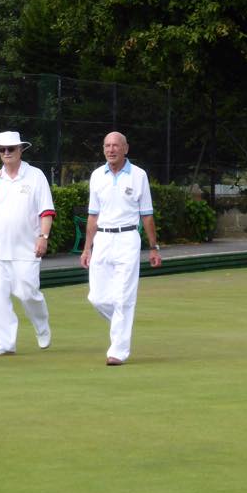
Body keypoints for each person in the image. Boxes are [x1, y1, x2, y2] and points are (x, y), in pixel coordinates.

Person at [80, 131, 162, 365]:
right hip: (102, 239)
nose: (111, 149)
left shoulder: (139, 175)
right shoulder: (97, 175)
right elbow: (92, 216)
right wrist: (87, 248)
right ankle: (121, 324)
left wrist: (153, 247)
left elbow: (147, 215)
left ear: (126, 148)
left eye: (116, 145)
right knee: (97, 298)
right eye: (107, 145)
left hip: (128, 238)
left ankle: (118, 351)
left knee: (124, 297)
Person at [0, 131, 56, 355]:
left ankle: (41, 326)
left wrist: (43, 237)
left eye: (11, 149)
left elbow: (46, 211)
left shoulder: (36, 176)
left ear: (21, 150)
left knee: (28, 293)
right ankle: (5, 342)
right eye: (2, 149)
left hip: (27, 249)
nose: (6, 153)